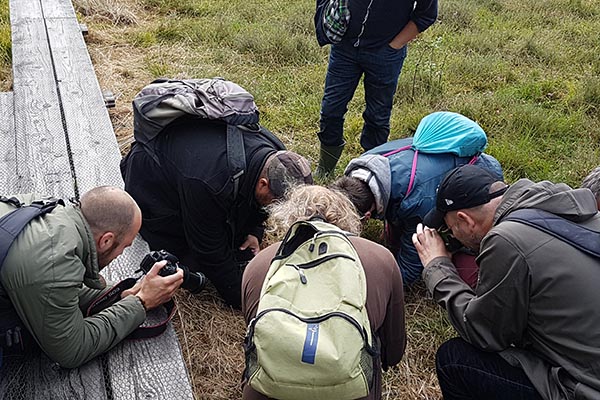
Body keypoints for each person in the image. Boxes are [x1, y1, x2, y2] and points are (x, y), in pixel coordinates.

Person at [412, 164, 600, 400]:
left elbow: (483, 332)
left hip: (586, 390)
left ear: (465, 220)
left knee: (454, 360)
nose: (453, 236)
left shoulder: (507, 240)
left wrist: (437, 266)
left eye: (451, 229)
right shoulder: (562, 207)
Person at [121, 117, 313, 309]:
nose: (275, 211)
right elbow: (210, 251)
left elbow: (260, 204)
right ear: (263, 185)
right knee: (189, 258)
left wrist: (254, 231)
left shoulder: (277, 156)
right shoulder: (210, 183)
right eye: (277, 204)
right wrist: (242, 296)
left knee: (234, 239)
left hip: (194, 162)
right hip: (151, 180)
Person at [241, 185, 405, 400]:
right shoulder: (380, 258)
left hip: (269, 390)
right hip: (350, 390)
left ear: (287, 218)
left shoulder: (261, 264)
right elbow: (392, 353)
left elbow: (255, 336)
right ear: (347, 217)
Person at [0, 186, 182, 369]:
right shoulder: (54, 265)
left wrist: (121, 293)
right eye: (125, 246)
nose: (121, 253)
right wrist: (141, 302)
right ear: (106, 241)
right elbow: (72, 350)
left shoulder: (45, 207)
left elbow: (58, 291)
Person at [330, 112, 503, 286]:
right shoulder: (367, 162)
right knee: (392, 238)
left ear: (367, 215)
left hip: (483, 186)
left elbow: (409, 266)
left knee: (459, 264)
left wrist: (376, 287)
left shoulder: (416, 201)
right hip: (426, 181)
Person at [315, 0, 438, 177]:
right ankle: (325, 169)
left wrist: (394, 46)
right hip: (345, 48)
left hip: (385, 54)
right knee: (331, 110)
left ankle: (368, 173)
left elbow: (426, 14)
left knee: (377, 117)